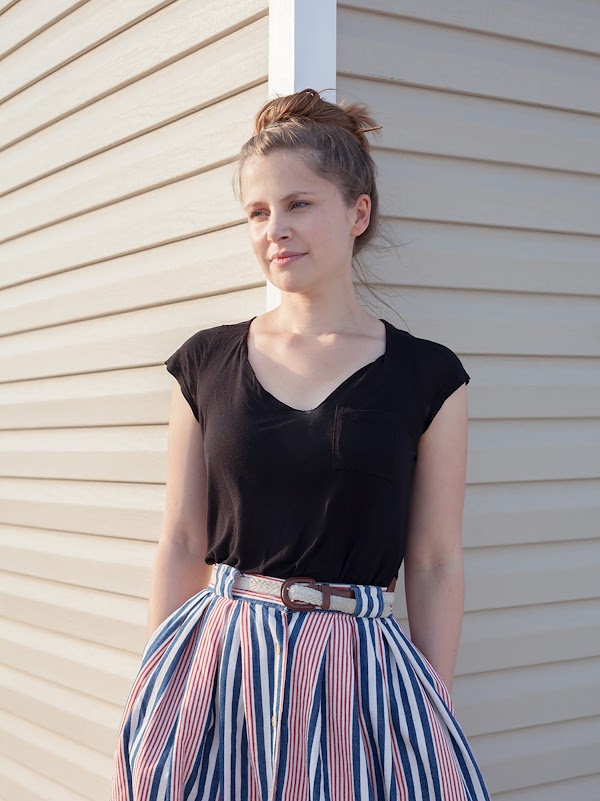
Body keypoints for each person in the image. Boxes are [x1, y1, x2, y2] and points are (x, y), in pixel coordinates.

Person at [110, 88, 491, 801]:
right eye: (257, 211)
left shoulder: (428, 376)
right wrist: (156, 680)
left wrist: (431, 704)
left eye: (298, 204)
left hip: (362, 675)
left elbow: (436, 558)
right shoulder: (204, 363)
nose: (274, 229)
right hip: (221, 669)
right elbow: (182, 538)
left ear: (359, 212)